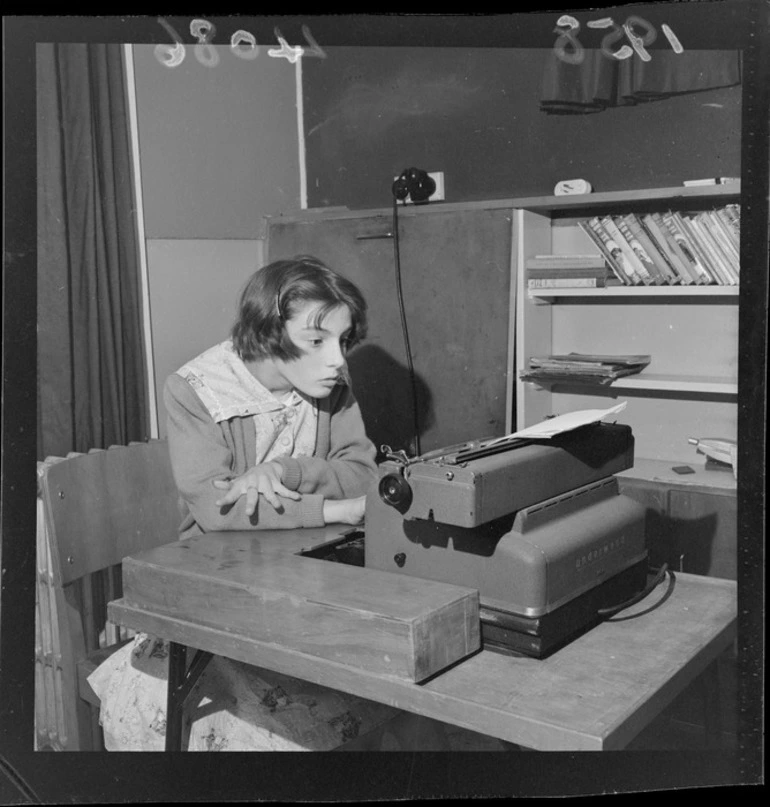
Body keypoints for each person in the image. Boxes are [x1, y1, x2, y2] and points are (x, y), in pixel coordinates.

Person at [87, 256, 400, 751]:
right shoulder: (195, 390)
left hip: (302, 578)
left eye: (343, 341)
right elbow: (218, 511)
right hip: (219, 586)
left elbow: (362, 473)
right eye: (317, 340)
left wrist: (286, 470)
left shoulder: (327, 380)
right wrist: (331, 511)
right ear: (269, 332)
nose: (338, 359)